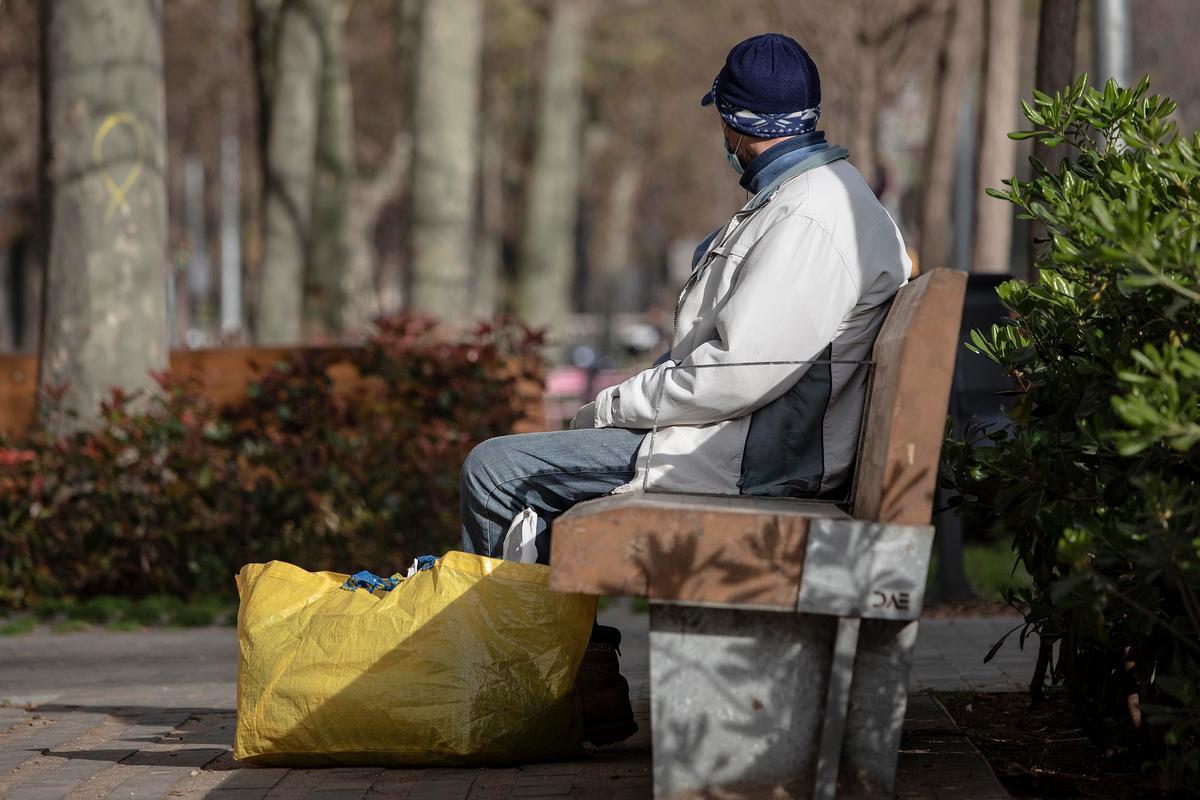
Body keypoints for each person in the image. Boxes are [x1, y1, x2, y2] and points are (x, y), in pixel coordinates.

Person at [459, 33, 911, 746]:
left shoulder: (809, 216)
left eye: (723, 124)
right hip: (751, 439)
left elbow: (732, 375)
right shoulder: (806, 201)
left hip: (754, 456)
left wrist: (609, 405)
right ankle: (574, 684)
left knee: (499, 471)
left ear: (735, 124)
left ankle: (521, 697)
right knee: (518, 468)